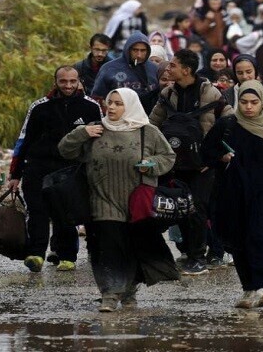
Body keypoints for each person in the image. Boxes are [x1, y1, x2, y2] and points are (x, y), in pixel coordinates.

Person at [58, 89, 179, 312]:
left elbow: (168, 156)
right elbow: (65, 150)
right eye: (109, 102)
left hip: (137, 202)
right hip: (101, 199)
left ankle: (130, 290)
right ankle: (110, 294)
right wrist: (82, 133)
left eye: (118, 104)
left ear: (130, 106)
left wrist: (151, 164)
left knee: (131, 247)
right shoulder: (94, 129)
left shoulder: (147, 131)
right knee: (107, 247)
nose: (111, 108)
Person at [201, 80, 263, 309]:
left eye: (254, 102)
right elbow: (206, 151)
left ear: (262, 102)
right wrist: (221, 157)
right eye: (245, 102)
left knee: (259, 236)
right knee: (238, 240)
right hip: (232, 191)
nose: (249, 107)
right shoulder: (228, 124)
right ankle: (248, 289)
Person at [7, 67, 103, 273]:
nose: (68, 86)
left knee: (66, 214)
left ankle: (67, 255)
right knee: (37, 211)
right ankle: (36, 254)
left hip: (70, 170)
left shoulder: (91, 107)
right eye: (63, 81)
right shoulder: (40, 107)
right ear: (55, 82)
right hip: (38, 167)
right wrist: (15, 174)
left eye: (72, 81)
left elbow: (102, 141)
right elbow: (24, 140)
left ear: (79, 82)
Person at [149, 50, 233, 275]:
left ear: (186, 70)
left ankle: (198, 258)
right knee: (178, 208)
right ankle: (187, 251)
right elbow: (152, 125)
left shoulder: (210, 93)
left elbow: (229, 121)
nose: (168, 69)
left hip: (203, 165)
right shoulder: (167, 93)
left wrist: (216, 155)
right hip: (174, 164)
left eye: (173, 65)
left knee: (197, 208)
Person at [91, 31, 160, 113]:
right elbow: (97, 97)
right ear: (128, 49)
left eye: (143, 50)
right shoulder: (109, 68)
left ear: (148, 51)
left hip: (147, 118)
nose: (139, 55)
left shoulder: (154, 69)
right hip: (116, 118)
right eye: (135, 50)